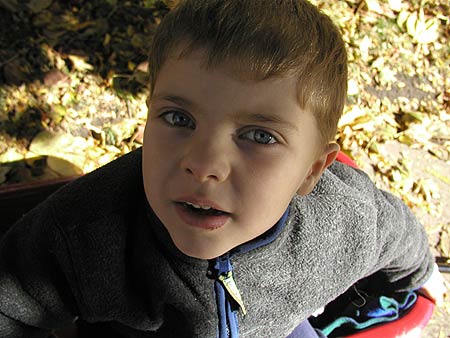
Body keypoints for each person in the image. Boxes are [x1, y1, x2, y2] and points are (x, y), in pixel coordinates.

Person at [0, 0, 445, 337]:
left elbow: (396, 232)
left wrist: (420, 275)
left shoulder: (344, 219)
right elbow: (10, 300)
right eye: (179, 119)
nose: (203, 164)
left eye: (260, 136)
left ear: (312, 171)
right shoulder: (84, 229)